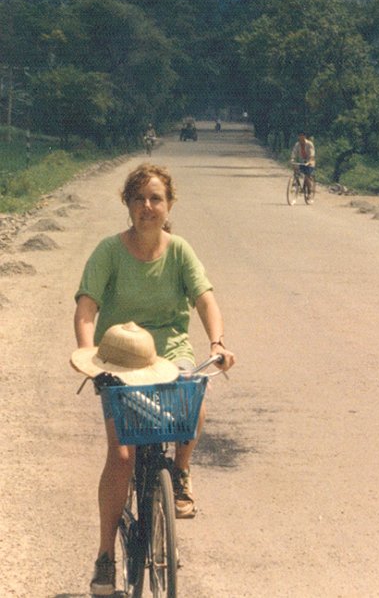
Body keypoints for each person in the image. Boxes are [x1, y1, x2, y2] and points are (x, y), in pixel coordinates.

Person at [71, 162, 235, 596]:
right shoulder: (109, 252)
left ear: (169, 205)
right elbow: (86, 309)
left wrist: (217, 343)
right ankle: (105, 556)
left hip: (169, 355)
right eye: (139, 198)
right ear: (127, 204)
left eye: (156, 198)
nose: (148, 206)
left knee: (194, 394)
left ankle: (179, 472)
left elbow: (205, 299)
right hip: (120, 360)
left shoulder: (179, 251)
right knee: (122, 456)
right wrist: (90, 358)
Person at [290, 131, 316, 195]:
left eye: (302, 136)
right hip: (302, 161)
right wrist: (292, 159)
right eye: (300, 136)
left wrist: (309, 161)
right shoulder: (297, 144)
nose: (301, 137)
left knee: (307, 176)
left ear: (305, 136)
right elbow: (294, 152)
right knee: (295, 168)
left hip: (310, 162)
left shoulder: (309, 144)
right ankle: (297, 184)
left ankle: (309, 191)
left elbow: (312, 154)